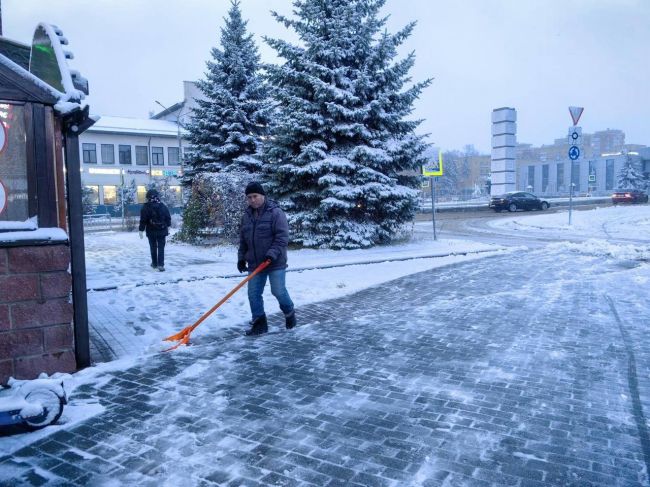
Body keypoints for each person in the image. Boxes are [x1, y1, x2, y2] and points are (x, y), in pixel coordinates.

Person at [238, 181, 296, 336]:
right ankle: (259, 323)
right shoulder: (246, 216)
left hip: (275, 262)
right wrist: (241, 258)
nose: (252, 200)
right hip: (255, 263)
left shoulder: (275, 213)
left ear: (262, 195)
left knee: (278, 291)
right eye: (249, 197)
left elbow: (282, 237)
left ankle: (289, 312)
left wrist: (272, 254)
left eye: (255, 196)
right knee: (253, 294)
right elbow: (243, 240)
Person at [139, 189, 171, 272]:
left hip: (151, 231)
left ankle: (154, 264)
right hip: (162, 230)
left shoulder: (145, 207)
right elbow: (168, 218)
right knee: (161, 248)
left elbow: (143, 220)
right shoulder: (163, 206)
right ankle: (161, 265)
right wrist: (168, 226)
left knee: (153, 248)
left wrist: (141, 230)